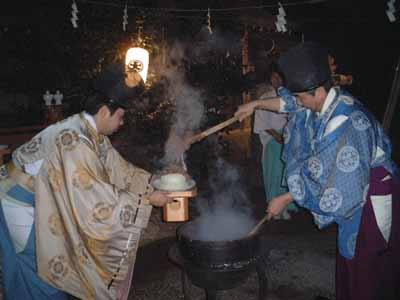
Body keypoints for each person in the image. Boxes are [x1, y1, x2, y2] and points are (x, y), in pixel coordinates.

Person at [235, 41, 400, 300]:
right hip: (354, 186)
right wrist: (255, 104)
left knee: (367, 262)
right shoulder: (323, 100)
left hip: (368, 194)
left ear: (317, 91)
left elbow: (338, 189)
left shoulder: (346, 126)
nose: (297, 103)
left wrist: (288, 197)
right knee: (349, 256)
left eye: (301, 96)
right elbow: (289, 103)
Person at [0, 61, 173, 300]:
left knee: (54, 265)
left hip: (39, 198)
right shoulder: (75, 142)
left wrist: (152, 182)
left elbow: (118, 169)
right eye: (121, 116)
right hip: (22, 203)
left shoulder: (89, 131)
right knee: (42, 272)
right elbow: (95, 203)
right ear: (104, 112)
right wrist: (146, 201)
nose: (122, 123)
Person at [252, 64, 297, 219]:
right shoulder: (265, 98)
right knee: (273, 172)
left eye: (278, 77)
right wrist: (276, 136)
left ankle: (286, 204)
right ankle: (274, 206)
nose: (276, 80)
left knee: (287, 172)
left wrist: (288, 134)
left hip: (289, 139)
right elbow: (261, 121)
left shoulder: (291, 97)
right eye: (273, 77)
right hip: (272, 140)